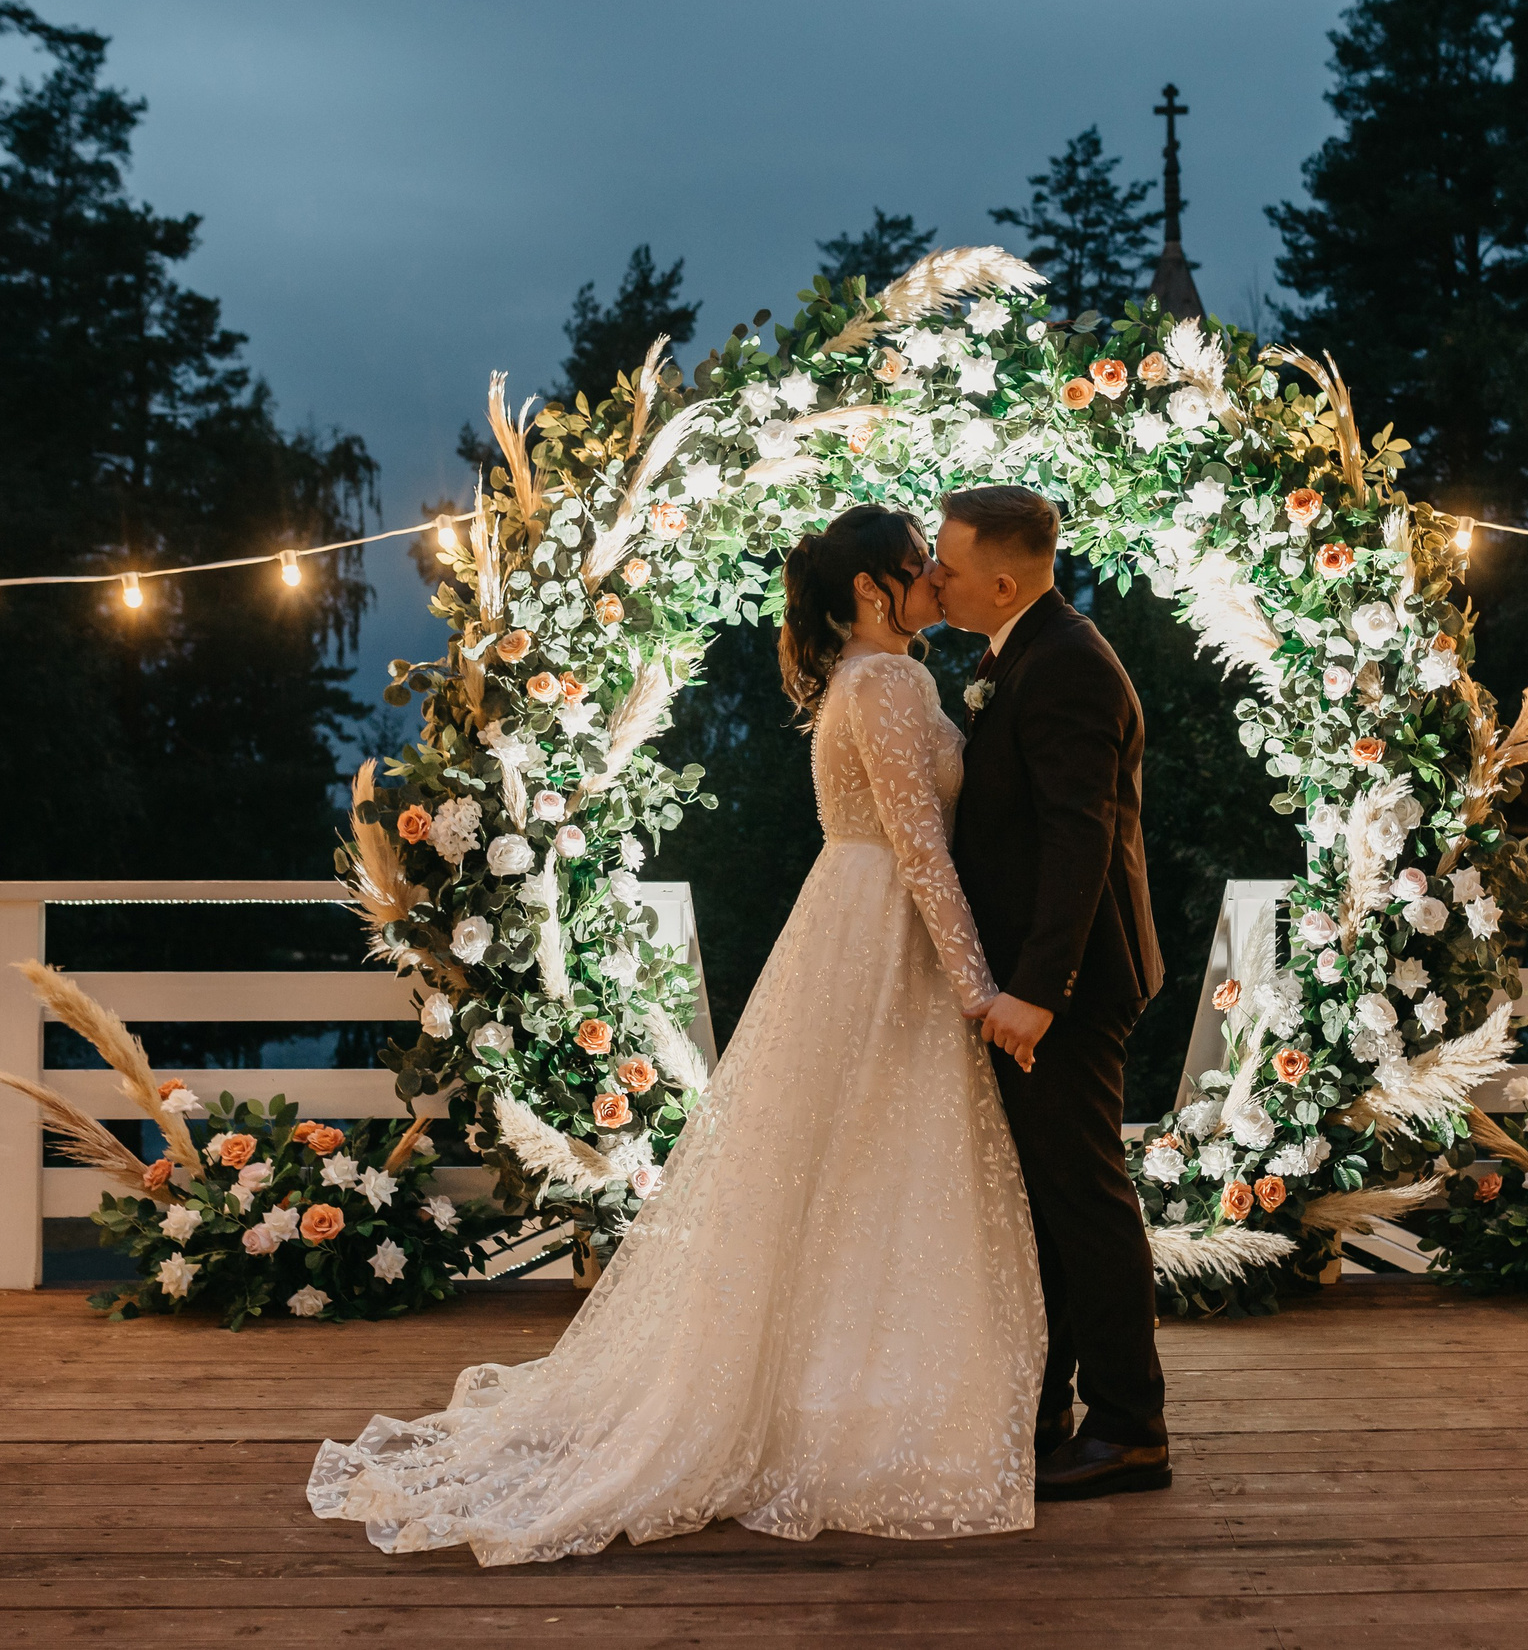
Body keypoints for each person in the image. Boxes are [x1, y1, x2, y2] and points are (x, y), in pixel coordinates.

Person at [308, 504, 1045, 1565]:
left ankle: (835, 1384)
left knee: (848, 1165)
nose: (937, 577)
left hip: (855, 920)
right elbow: (922, 850)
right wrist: (977, 988)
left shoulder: (862, 681)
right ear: (877, 591)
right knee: (879, 1159)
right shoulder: (888, 684)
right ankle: (844, 1400)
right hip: (885, 932)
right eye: (916, 566)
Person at [934, 483, 1171, 1500]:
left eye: (945, 564)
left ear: (999, 578)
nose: (932, 577)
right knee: (1049, 1198)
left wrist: (1037, 989)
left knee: (1084, 1198)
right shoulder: (1020, 653)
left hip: (1069, 984)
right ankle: (1052, 1408)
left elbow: (1082, 836)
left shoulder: (1067, 665)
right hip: (1044, 978)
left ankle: (1130, 1427)